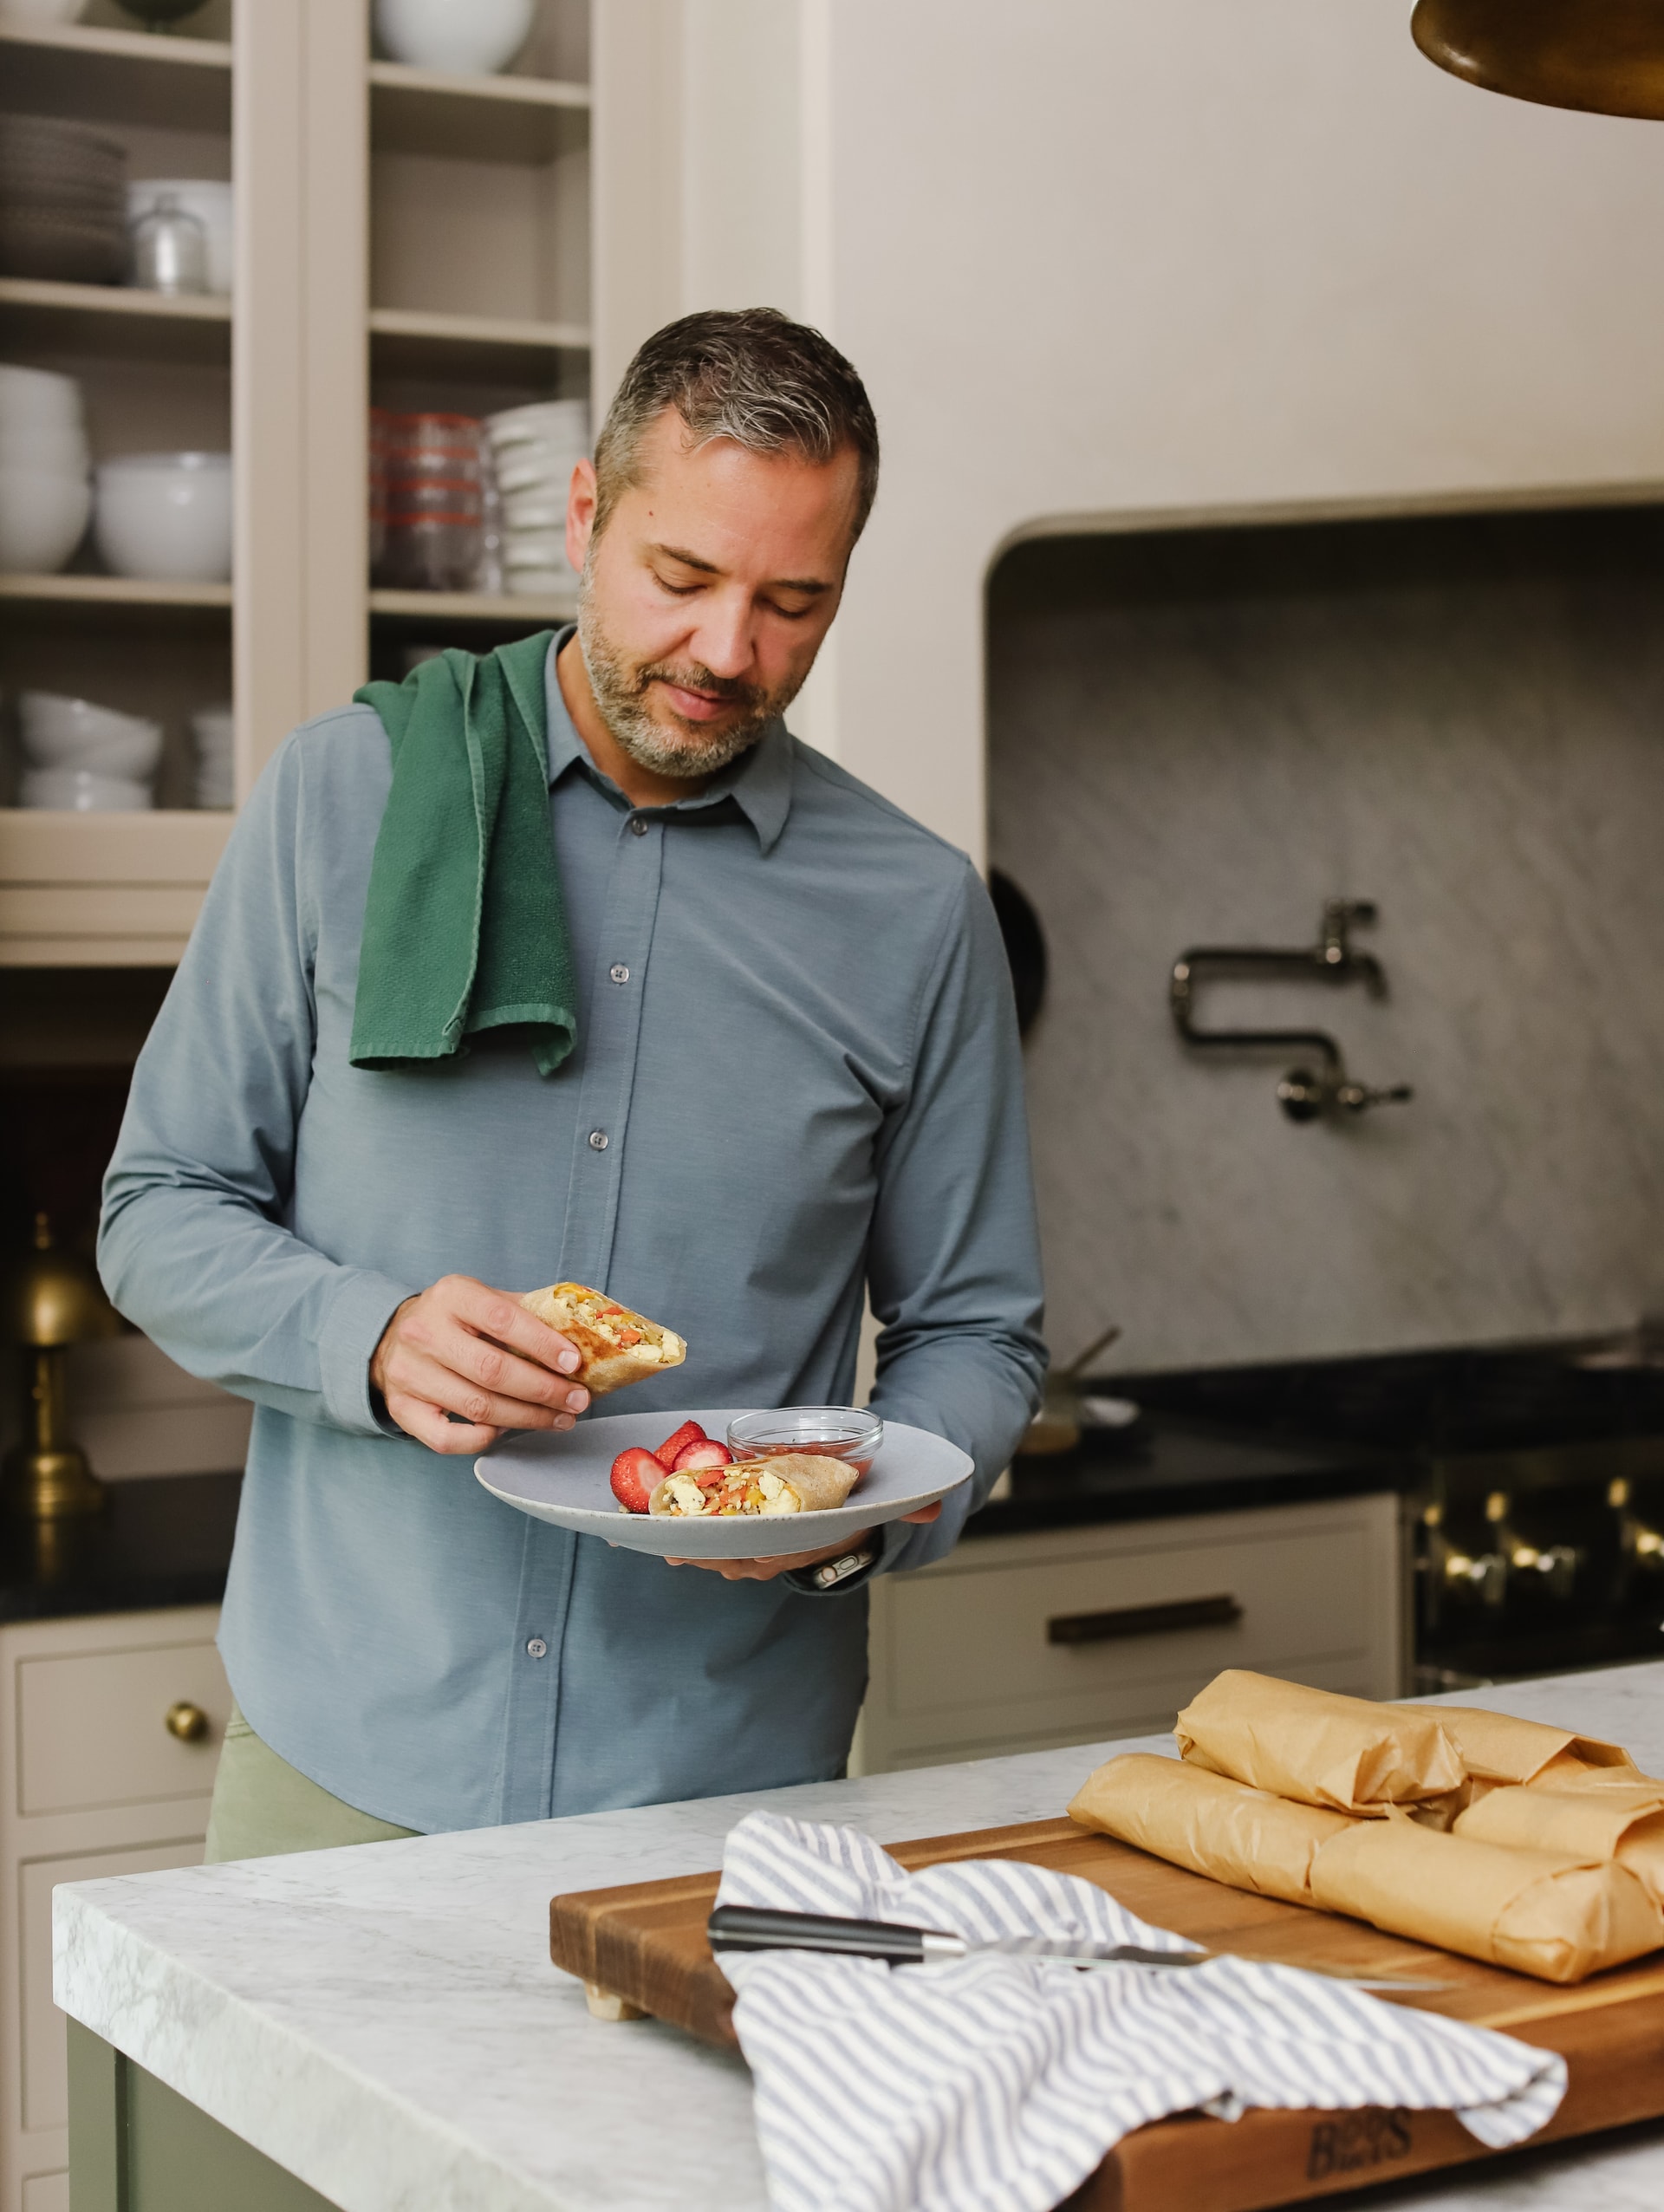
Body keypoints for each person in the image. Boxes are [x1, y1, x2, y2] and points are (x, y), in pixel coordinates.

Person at [100, 308, 1045, 1858]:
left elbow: (980, 1333)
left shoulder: (919, 912)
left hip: (728, 1786)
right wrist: (375, 1338)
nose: (729, 653)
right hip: (345, 1752)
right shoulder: (343, 799)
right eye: (682, 580)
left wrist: (844, 1526)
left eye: (793, 603)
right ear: (588, 518)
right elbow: (157, 1208)